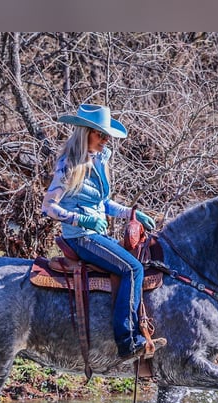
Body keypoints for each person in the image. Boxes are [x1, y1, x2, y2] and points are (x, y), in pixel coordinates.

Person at [42, 103, 165, 360]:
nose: (106, 140)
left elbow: (103, 204)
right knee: (133, 269)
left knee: (136, 263)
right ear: (86, 132)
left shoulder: (98, 161)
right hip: (80, 238)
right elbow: (49, 206)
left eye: (107, 135)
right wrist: (80, 220)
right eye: (101, 134)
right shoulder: (69, 165)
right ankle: (127, 340)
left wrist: (132, 214)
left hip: (95, 235)